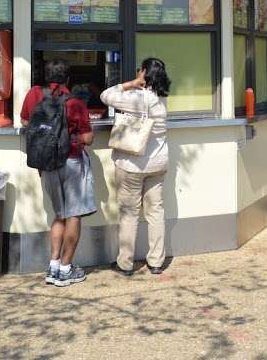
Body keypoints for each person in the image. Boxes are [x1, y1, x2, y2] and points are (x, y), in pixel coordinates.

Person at [20, 59, 95, 287]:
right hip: (71, 161)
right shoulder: (75, 102)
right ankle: (66, 268)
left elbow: (24, 121)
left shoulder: (34, 94)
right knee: (75, 214)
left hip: (47, 163)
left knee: (60, 214)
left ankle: (53, 267)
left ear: (45, 76)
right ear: (68, 79)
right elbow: (88, 138)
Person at [100, 57, 171, 276]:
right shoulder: (162, 99)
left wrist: (130, 83)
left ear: (143, 73)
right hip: (158, 163)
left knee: (129, 213)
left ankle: (126, 263)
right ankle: (156, 261)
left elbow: (105, 96)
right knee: (155, 211)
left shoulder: (135, 97)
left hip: (132, 164)